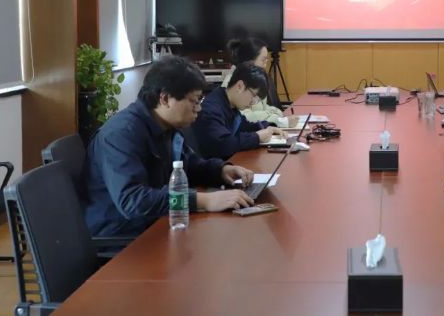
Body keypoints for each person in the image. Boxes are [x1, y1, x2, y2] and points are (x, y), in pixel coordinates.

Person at [83, 56, 256, 237]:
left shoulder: (166, 126)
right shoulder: (121, 134)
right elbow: (134, 201)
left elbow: (189, 166)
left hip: (158, 221)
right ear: (165, 98)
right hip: (126, 237)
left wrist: (220, 171)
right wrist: (202, 201)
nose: (199, 109)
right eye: (194, 101)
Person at [193, 61, 286, 159]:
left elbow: (244, 126)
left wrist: (269, 127)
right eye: (253, 96)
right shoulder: (211, 109)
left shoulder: (230, 103)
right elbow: (223, 144)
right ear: (240, 86)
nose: (253, 102)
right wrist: (256, 137)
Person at [226, 38, 297, 128]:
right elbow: (244, 116)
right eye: (263, 60)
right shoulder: (234, 82)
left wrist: (278, 113)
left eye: (267, 60)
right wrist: (277, 119)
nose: (265, 64)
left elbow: (264, 107)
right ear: (249, 61)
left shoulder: (256, 79)